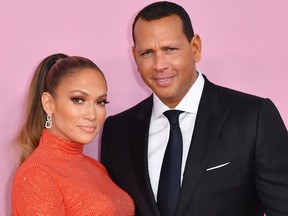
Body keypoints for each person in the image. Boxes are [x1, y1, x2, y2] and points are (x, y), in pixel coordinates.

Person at [100, 1, 288, 216]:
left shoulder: (253, 117)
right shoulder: (117, 132)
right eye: (147, 53)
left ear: (195, 47)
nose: (159, 65)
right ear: (135, 56)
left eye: (170, 49)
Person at [12, 53, 135, 215]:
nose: (92, 114)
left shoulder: (96, 167)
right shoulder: (37, 175)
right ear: (49, 104)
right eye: (78, 100)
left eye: (100, 102)